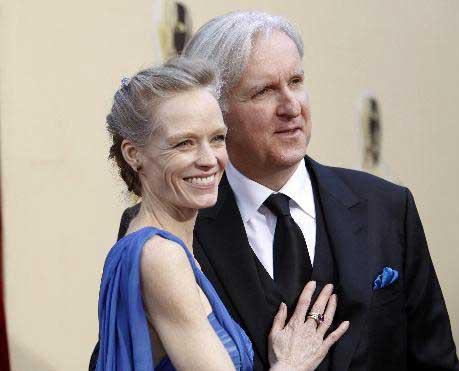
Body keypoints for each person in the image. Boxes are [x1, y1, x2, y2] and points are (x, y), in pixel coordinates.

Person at [91, 10, 459, 371]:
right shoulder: (169, 229)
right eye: (264, 90)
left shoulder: (387, 207)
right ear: (216, 110)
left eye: (296, 82)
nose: (291, 106)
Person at [95, 58, 349, 370]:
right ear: (133, 154)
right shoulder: (161, 257)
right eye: (184, 143)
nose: (208, 159)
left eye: (217, 138)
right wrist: (293, 363)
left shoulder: (155, 244)